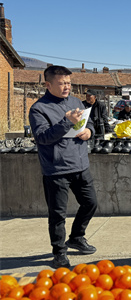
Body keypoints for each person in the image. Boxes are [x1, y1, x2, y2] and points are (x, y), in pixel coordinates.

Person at [29, 65, 98, 269]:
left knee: (90, 203)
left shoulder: (76, 102)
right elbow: (42, 137)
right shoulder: (39, 108)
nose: (67, 86)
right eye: (62, 83)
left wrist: (89, 133)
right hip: (56, 169)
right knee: (58, 214)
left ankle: (76, 237)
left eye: (68, 82)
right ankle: (59, 252)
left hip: (80, 164)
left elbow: (90, 123)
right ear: (48, 84)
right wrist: (66, 122)